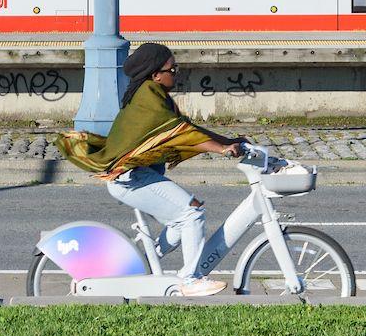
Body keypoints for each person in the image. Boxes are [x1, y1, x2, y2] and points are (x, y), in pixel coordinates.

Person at [56, 43, 245, 297]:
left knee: (180, 224)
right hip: (129, 177)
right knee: (192, 213)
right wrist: (221, 149)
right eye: (172, 69)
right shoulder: (148, 97)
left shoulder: (154, 94)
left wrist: (228, 141)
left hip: (133, 175)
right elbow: (180, 134)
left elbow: (187, 128)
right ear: (156, 74)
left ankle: (140, 264)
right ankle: (190, 279)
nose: (176, 73)